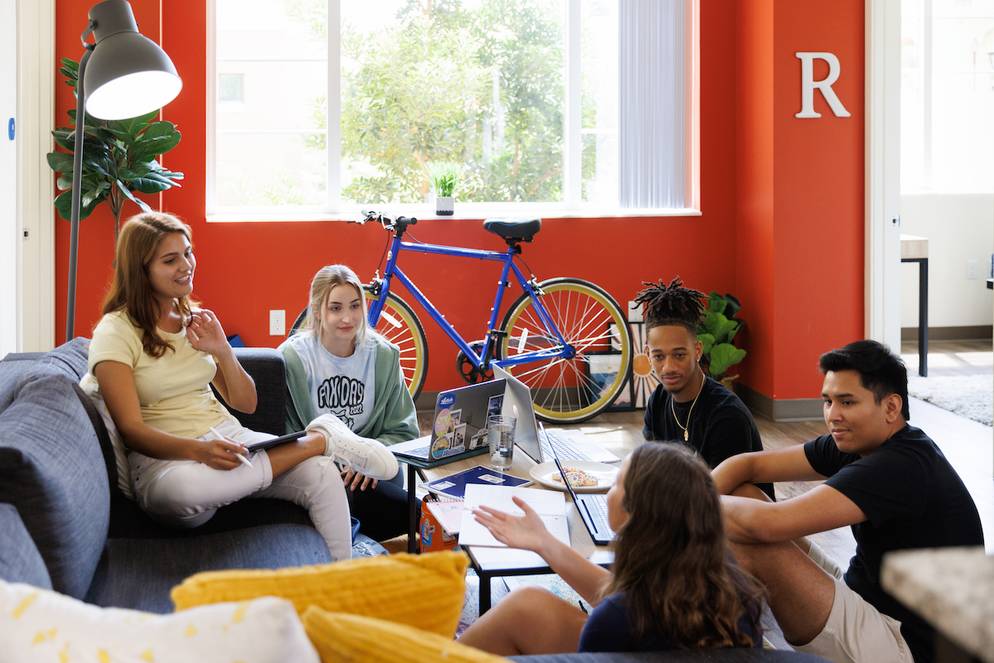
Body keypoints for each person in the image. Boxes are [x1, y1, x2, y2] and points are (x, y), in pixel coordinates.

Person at [80, 212, 398, 561]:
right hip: (166, 462)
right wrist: (198, 451)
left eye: (188, 253)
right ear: (140, 270)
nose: (186, 265)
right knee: (182, 492)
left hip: (229, 439)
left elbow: (246, 403)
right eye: (170, 260)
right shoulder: (116, 331)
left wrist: (222, 350)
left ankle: (342, 580)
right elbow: (130, 429)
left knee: (322, 473)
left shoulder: (195, 319)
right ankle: (320, 440)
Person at [713, 340, 985, 663]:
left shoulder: (899, 465)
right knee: (744, 494)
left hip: (910, 647)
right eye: (828, 401)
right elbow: (748, 465)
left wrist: (660, 506)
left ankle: (711, 642)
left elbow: (767, 524)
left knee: (754, 540)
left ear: (891, 408)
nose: (833, 415)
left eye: (847, 402)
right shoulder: (857, 443)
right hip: (871, 600)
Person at [458, 443, 763, 656]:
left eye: (616, 483)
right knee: (528, 602)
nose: (607, 492)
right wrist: (544, 542)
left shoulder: (614, 621)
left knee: (522, 606)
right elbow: (626, 598)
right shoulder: (731, 588)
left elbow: (619, 609)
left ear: (635, 515)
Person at [278, 264, 419, 542]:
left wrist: (365, 458)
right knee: (410, 514)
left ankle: (348, 534)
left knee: (403, 506)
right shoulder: (293, 358)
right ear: (317, 311)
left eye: (355, 306)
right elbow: (284, 436)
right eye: (335, 308)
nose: (347, 317)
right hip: (319, 470)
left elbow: (405, 432)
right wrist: (336, 462)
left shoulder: (383, 356)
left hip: (372, 475)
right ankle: (356, 534)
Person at [633, 278, 773, 499]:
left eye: (679, 355)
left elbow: (721, 499)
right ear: (648, 353)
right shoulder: (658, 401)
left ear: (697, 350)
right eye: (659, 356)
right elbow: (655, 472)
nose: (668, 367)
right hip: (686, 507)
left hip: (736, 516)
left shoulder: (726, 415)